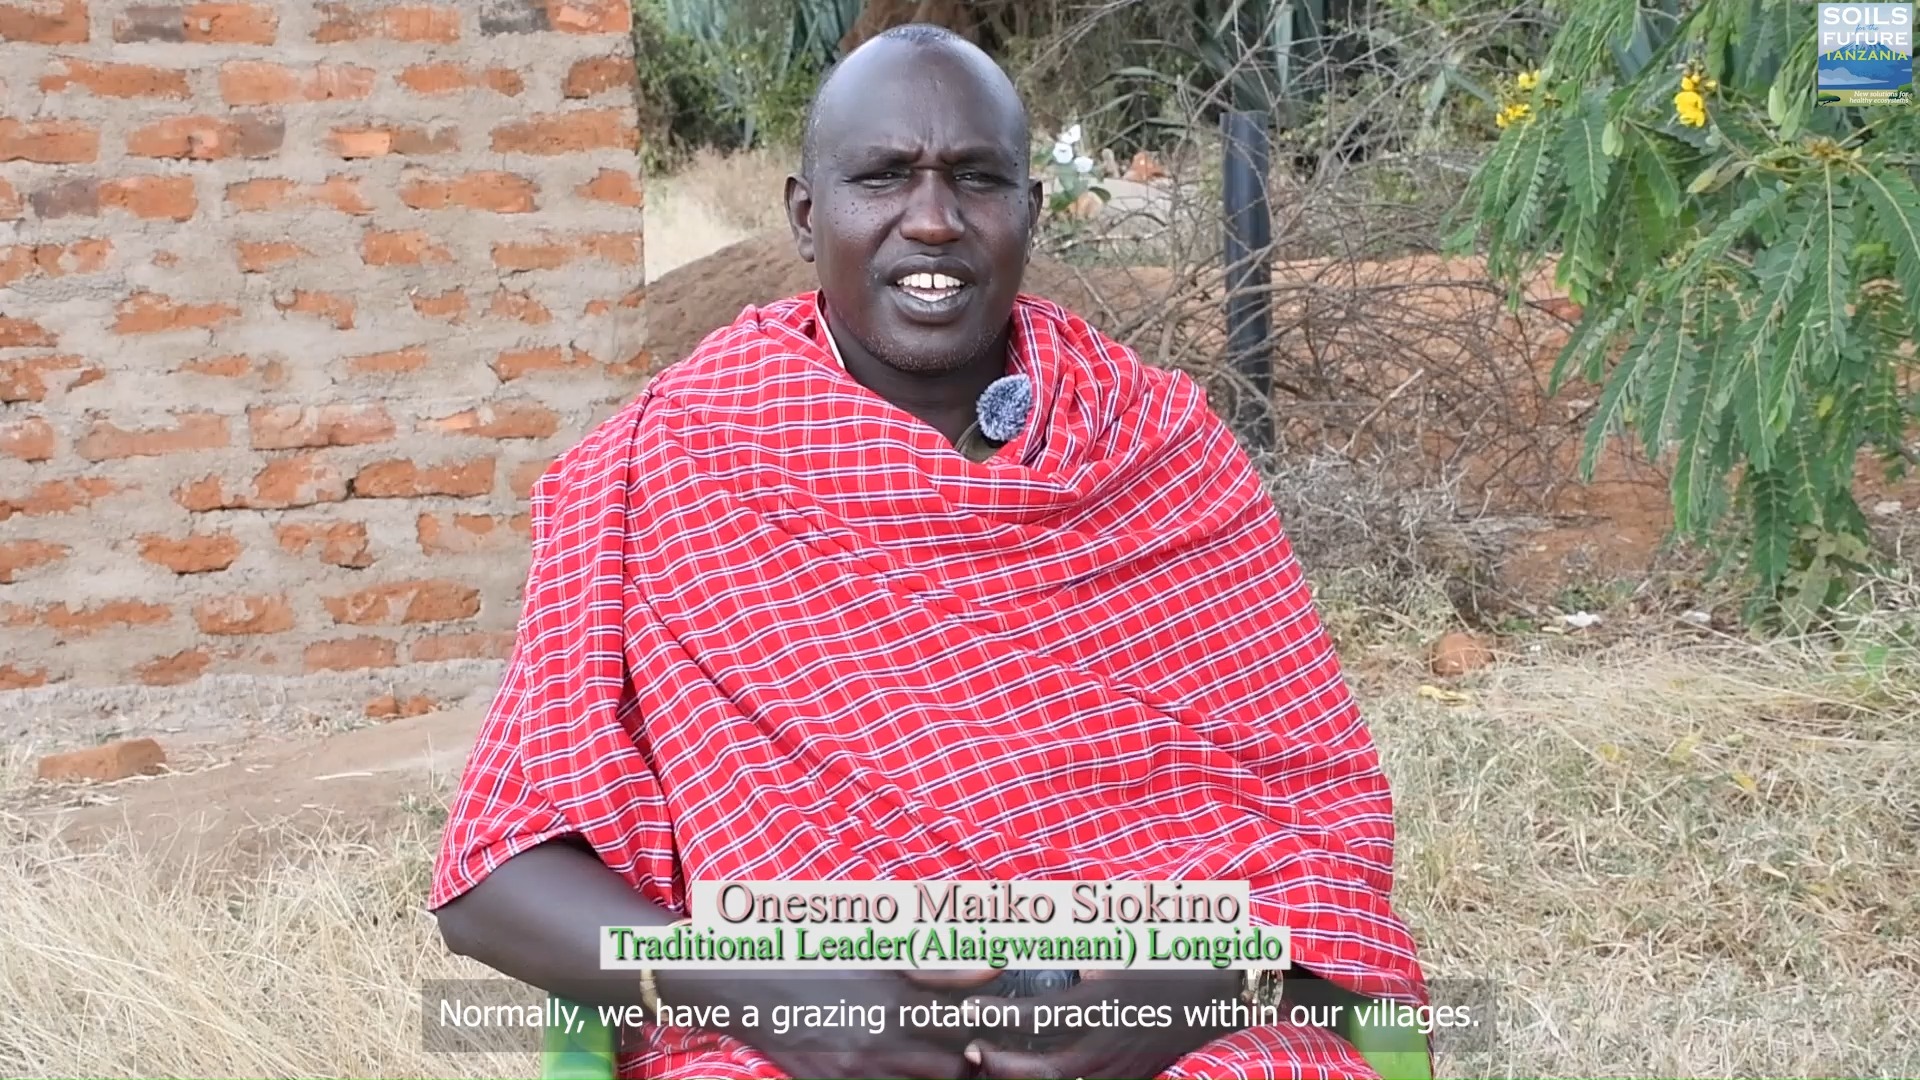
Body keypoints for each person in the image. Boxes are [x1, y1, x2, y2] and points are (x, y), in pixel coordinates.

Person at [428, 23, 1425, 1080]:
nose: (936, 220)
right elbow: (500, 872)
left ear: (1031, 212)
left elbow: (1323, 838)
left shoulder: (1159, 449)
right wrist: (762, 988)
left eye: (978, 179)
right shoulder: (667, 461)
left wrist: (1180, 992)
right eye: (885, 176)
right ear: (806, 216)